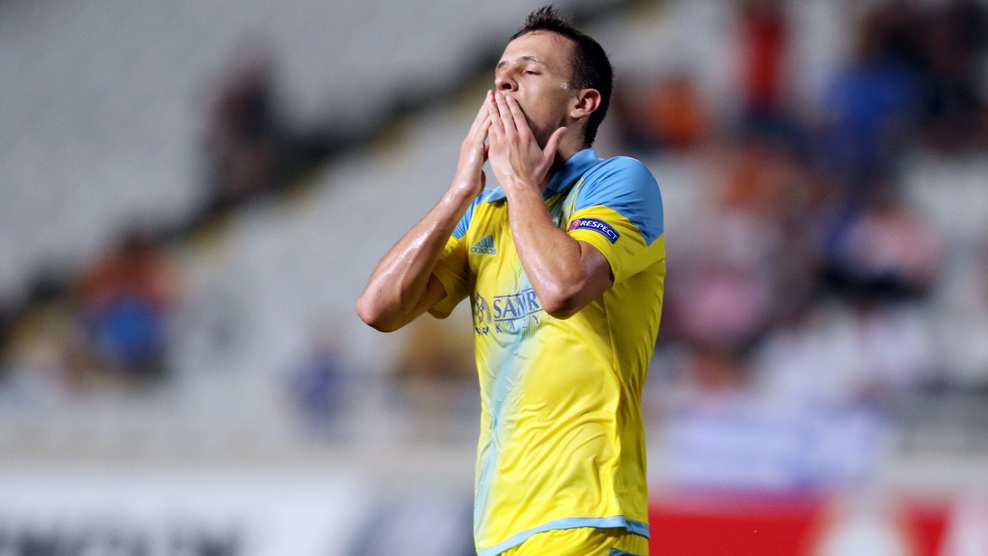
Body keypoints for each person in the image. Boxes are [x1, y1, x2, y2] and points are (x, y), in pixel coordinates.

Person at [356, 7, 666, 555]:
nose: (505, 83)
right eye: (500, 74)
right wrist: (460, 191)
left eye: (529, 71)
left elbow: (562, 289)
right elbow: (378, 309)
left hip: (590, 517)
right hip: (501, 528)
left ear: (582, 102)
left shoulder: (619, 182)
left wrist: (519, 182)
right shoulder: (485, 212)